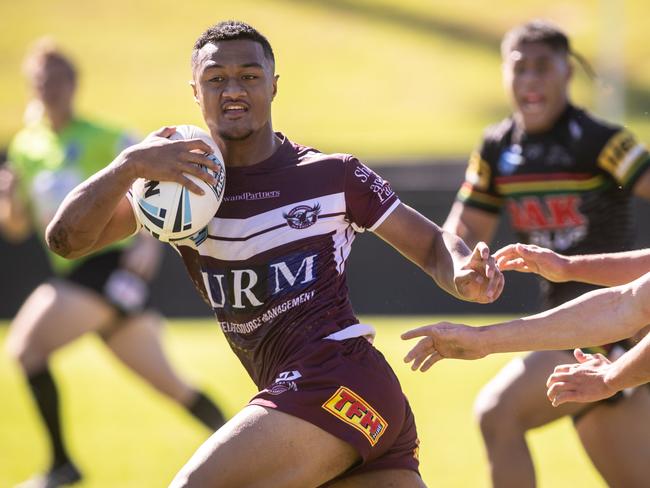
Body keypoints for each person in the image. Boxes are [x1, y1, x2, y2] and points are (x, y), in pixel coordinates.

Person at [44, 21, 505, 487]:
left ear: (274, 85)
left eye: (249, 75)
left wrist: (463, 270)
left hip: (337, 382)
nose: (233, 90)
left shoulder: (332, 176)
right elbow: (66, 240)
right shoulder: (179, 188)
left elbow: (430, 244)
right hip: (340, 409)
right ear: (195, 91)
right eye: (215, 78)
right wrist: (128, 165)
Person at [1, 38, 226, 488]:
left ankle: (62, 465)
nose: (50, 89)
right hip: (78, 274)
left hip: (106, 271)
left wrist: (140, 258)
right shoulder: (25, 147)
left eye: (59, 79)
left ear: (74, 83)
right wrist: (7, 199)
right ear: (31, 86)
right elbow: (18, 229)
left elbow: (153, 198)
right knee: (174, 388)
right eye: (41, 81)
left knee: (25, 349)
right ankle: (257, 449)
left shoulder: (106, 135)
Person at [442, 19, 650, 488]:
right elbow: (464, 225)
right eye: (519, 69)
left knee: (497, 414)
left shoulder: (600, 140)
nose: (530, 80)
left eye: (543, 67)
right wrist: (463, 261)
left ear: (566, 74)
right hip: (565, 324)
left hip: (614, 326)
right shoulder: (497, 147)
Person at [402, 244, 650, 487]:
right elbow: (626, 303)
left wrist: (612, 377)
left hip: (618, 353)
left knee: (499, 411)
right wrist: (483, 339)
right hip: (612, 348)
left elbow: (626, 306)